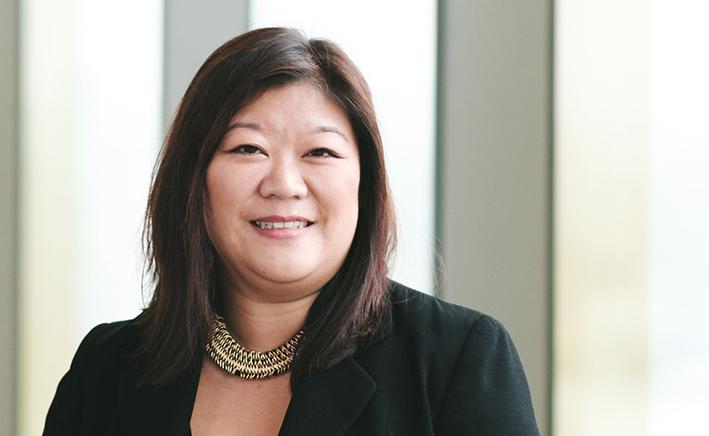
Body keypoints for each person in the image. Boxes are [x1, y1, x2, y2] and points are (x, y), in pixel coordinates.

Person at [43, 27, 539, 435]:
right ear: (194, 181)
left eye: (320, 153)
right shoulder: (107, 370)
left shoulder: (456, 359)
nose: (284, 184)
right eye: (247, 149)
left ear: (364, 185)